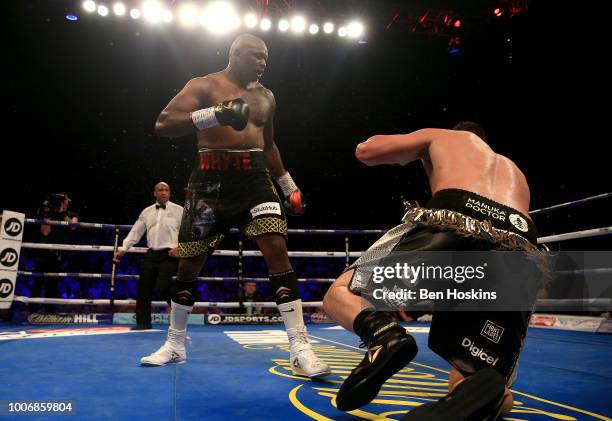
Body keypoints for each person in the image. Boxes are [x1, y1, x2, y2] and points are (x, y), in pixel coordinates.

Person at [140, 34, 330, 377]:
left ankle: (300, 348)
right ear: (236, 54)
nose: (262, 62)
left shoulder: (266, 97)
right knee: (187, 267)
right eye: (256, 56)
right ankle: (175, 344)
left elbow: (268, 144)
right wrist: (215, 114)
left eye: (265, 57)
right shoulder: (204, 85)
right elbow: (163, 124)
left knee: (277, 251)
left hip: (256, 181)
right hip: (209, 184)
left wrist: (289, 186)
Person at [323, 122, 541, 419]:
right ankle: (481, 389)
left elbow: (367, 151)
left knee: (340, 294)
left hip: (457, 215)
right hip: (520, 246)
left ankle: (385, 336)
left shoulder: (444, 136)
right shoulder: (514, 171)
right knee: (475, 378)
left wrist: (414, 151)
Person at [113, 182, 183, 330]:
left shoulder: (179, 210)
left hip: (170, 254)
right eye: (160, 190)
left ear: (169, 193)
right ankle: (143, 323)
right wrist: (123, 249)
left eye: (166, 190)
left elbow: (189, 232)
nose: (164, 192)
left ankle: (181, 311)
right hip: (151, 253)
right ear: (154, 193)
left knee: (163, 287)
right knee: (143, 287)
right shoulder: (147, 211)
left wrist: (181, 248)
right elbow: (136, 232)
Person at [31, 192, 78, 312]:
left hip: (57, 254)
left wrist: (62, 213)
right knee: (38, 281)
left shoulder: (72, 214)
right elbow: (45, 232)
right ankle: (32, 310)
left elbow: (73, 226)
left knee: (52, 283)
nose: (66, 201)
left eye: (66, 199)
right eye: (65, 199)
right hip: (42, 253)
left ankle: (49, 311)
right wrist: (47, 212)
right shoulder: (48, 213)